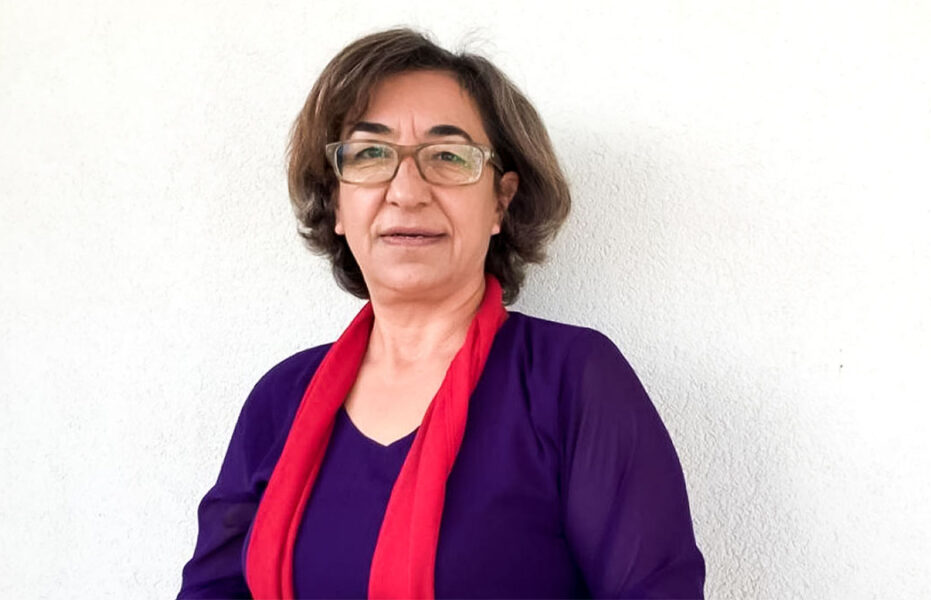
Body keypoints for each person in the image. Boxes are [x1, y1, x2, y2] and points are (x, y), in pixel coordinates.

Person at [178, 28, 705, 599]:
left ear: (500, 201)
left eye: (449, 157)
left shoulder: (572, 381)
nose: (407, 191)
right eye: (370, 154)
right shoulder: (281, 399)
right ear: (336, 203)